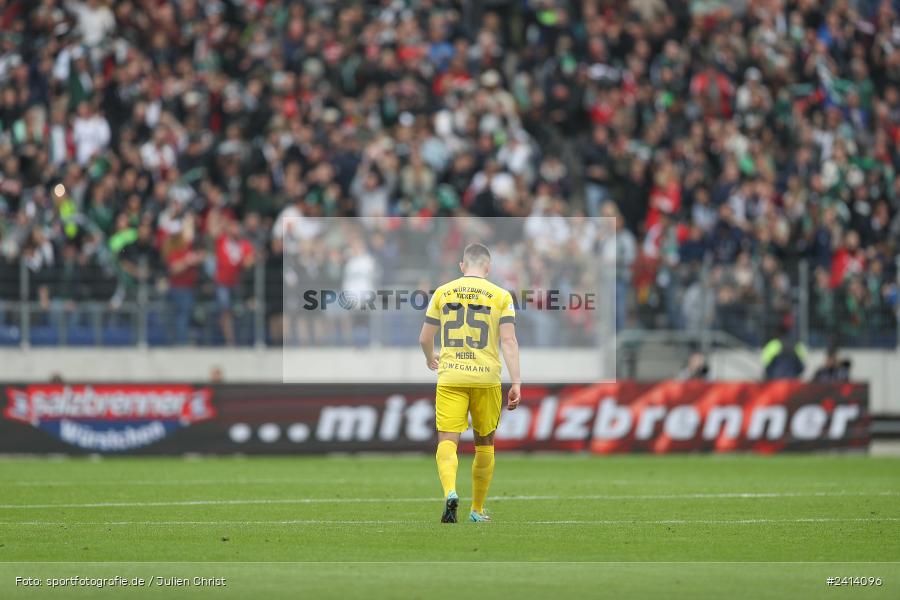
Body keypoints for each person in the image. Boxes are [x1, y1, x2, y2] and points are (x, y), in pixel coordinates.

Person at [418, 243, 521, 523]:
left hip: (451, 375)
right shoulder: (501, 295)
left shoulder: (443, 292)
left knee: (447, 440)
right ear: (488, 268)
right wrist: (517, 382)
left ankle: (450, 492)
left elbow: (425, 338)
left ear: (462, 266)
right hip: (486, 377)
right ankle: (476, 510)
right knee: (484, 442)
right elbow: (509, 341)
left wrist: (430, 358)